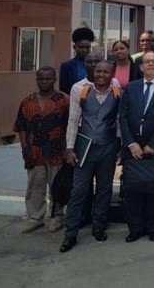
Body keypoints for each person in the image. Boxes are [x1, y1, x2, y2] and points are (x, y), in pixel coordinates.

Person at [59, 61, 121, 252]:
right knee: (79, 190)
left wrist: (121, 147)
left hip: (108, 147)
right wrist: (69, 148)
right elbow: (73, 119)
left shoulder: (118, 92)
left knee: (104, 189)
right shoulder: (82, 90)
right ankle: (70, 233)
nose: (101, 75)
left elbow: (119, 121)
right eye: (98, 71)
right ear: (93, 73)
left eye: (106, 72)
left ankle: (99, 226)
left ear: (112, 74)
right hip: (84, 147)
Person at [119, 51, 154, 243]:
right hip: (132, 149)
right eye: (146, 62)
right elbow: (123, 116)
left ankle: (153, 228)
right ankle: (135, 228)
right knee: (132, 189)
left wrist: (153, 144)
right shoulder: (131, 88)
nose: (151, 64)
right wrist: (131, 143)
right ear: (141, 66)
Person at [14, 66, 70, 234]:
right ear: (36, 80)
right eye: (41, 79)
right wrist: (25, 149)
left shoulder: (64, 100)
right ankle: (34, 217)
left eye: (47, 78)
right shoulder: (27, 102)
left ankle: (56, 216)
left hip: (57, 151)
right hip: (35, 152)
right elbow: (21, 126)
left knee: (57, 186)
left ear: (54, 79)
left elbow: (71, 126)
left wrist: (68, 149)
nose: (44, 81)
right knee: (35, 186)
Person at [59, 27, 95, 95]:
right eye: (81, 47)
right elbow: (63, 91)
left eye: (87, 47)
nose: (84, 50)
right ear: (74, 47)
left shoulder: (97, 64)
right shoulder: (66, 66)